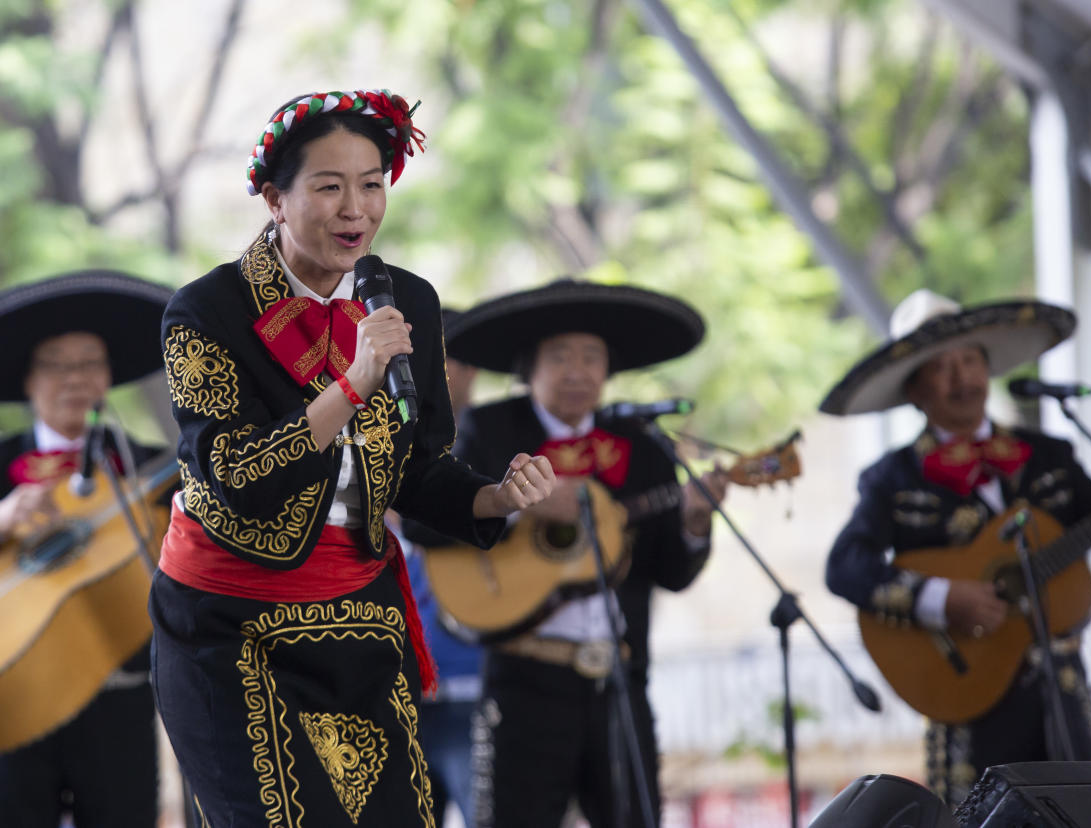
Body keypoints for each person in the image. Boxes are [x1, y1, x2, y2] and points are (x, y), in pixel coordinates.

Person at [148, 88, 555, 828]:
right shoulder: (205, 312)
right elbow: (235, 477)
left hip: (358, 615)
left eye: (372, 185)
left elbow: (419, 467)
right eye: (329, 187)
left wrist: (496, 498)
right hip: (230, 621)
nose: (355, 209)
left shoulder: (408, 303)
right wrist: (351, 384)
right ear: (274, 197)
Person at [421, 278, 727, 828]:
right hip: (525, 683)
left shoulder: (643, 446)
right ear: (528, 370)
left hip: (620, 681)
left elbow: (671, 573)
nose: (578, 372)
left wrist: (695, 526)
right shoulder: (489, 430)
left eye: (592, 358)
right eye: (560, 357)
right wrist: (515, 506)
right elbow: (429, 520)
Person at [0, 270, 174, 828]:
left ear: (109, 376)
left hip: (118, 695)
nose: (76, 377)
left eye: (90, 363)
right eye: (58, 363)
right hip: (15, 691)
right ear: (28, 379)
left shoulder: (154, 469)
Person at [821, 289, 1091, 805]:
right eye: (942, 367)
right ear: (915, 390)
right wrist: (941, 597)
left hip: (1060, 696)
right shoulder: (893, 478)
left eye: (971, 360)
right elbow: (846, 568)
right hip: (968, 695)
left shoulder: (1046, 456)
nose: (962, 377)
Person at [398, 308, 484, 827]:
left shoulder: (495, 448)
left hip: (472, 687)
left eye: (449, 360)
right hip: (393, 691)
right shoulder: (367, 445)